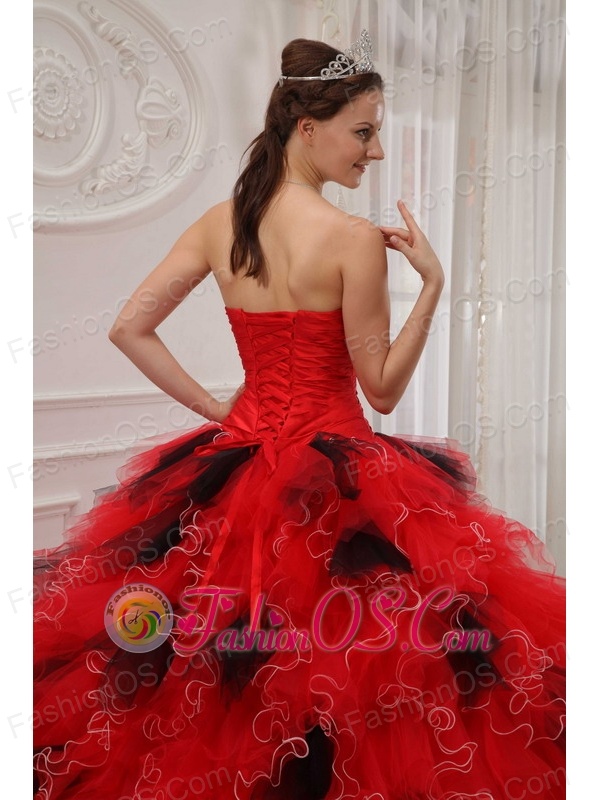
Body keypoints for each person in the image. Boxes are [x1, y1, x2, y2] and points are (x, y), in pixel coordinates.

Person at [34, 32, 565, 799]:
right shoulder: (351, 239)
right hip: (343, 480)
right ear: (307, 128)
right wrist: (432, 287)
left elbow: (128, 327)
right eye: (364, 130)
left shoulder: (221, 224)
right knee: (372, 675)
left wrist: (219, 411)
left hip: (236, 465)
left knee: (210, 669)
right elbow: (382, 390)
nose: (377, 150)